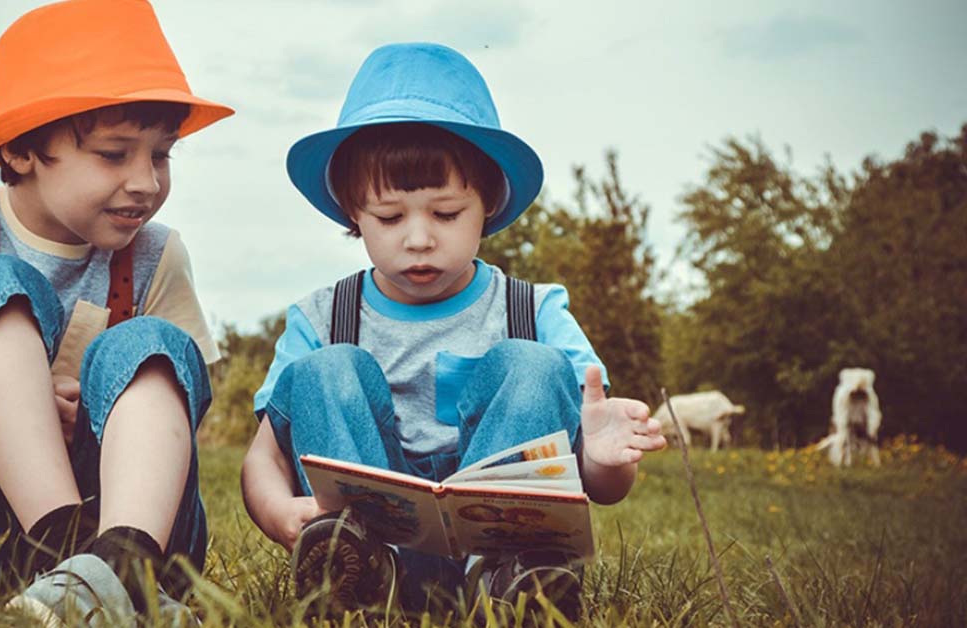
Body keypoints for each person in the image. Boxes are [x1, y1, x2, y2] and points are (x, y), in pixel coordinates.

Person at [240, 42, 667, 620]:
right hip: (371, 548)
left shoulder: (534, 309)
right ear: (352, 212)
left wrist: (606, 460)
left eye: (445, 214)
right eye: (390, 217)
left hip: (502, 549)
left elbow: (602, 485)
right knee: (325, 370)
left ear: (487, 202)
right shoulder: (321, 317)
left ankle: (511, 584)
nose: (418, 238)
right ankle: (357, 579)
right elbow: (262, 458)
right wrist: (277, 512)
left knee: (534, 364)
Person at [0, 0, 233, 623]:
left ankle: (121, 561)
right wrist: (25, 405)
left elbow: (182, 404)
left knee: (152, 344)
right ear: (23, 150)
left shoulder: (157, 254)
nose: (146, 181)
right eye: (115, 154)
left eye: (162, 154)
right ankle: (78, 558)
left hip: (128, 522)